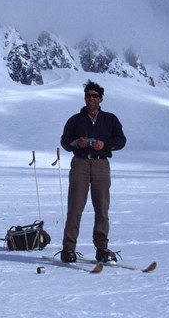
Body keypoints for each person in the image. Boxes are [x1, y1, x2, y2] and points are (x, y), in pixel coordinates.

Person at [59, 80, 127, 263]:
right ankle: (69, 249)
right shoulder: (75, 120)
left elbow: (121, 140)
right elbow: (65, 142)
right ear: (84, 98)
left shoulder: (110, 120)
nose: (91, 99)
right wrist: (77, 143)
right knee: (75, 208)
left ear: (101, 99)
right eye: (88, 95)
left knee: (102, 208)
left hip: (101, 165)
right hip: (80, 164)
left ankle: (102, 249)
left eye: (95, 96)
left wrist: (105, 144)